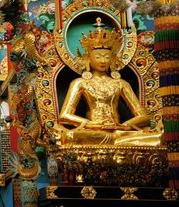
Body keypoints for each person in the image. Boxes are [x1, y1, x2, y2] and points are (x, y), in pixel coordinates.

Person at [58, 18, 162, 146]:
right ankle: (119, 141)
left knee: (157, 138)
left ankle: (119, 140)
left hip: (119, 131)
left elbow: (144, 117)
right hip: (93, 132)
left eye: (106, 57)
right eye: (97, 56)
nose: (102, 60)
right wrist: (91, 124)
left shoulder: (121, 83)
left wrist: (124, 126)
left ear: (113, 59)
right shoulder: (79, 83)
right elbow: (64, 116)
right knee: (70, 136)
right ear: (87, 59)